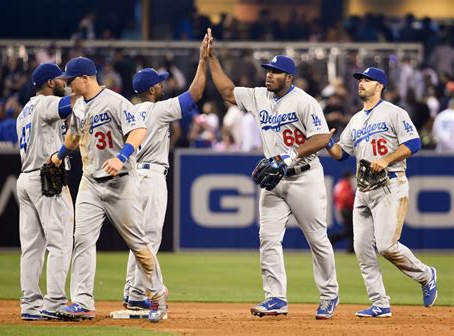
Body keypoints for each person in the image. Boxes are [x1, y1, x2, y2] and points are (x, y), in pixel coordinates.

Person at [207, 28, 339, 319]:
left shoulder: (305, 101)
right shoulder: (258, 96)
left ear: (289, 78)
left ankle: (329, 295)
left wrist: (289, 155)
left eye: (276, 72)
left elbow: (320, 138)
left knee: (317, 239)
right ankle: (276, 298)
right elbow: (227, 91)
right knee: (268, 238)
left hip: (304, 176)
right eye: (268, 70)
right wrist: (211, 58)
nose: (269, 75)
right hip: (275, 180)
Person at [50, 57, 167, 323]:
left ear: (86, 78)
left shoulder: (115, 101)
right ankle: (82, 302)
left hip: (121, 181)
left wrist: (122, 156)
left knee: (138, 243)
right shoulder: (78, 107)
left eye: (71, 80)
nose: (68, 84)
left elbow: (138, 130)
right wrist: (58, 157)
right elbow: (73, 137)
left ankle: (158, 295)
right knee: (82, 239)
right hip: (90, 182)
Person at [326, 67, 438, 317]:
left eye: (367, 80)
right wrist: (328, 143)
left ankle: (426, 275)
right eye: (360, 80)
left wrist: (387, 159)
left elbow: (414, 143)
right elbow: (341, 154)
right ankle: (380, 303)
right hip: (364, 189)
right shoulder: (355, 119)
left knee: (387, 246)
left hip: (390, 184)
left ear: (380, 86)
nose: (361, 83)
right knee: (362, 248)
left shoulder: (394, 112)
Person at [123, 33, 210, 312]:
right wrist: (202, 61)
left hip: (131, 177)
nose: (163, 85)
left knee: (137, 238)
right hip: (150, 177)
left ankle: (134, 293)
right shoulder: (158, 110)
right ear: (151, 89)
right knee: (148, 238)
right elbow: (195, 94)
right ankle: (148, 292)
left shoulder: (128, 112)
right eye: (159, 83)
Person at [16, 63, 75, 320]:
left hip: (26, 179)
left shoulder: (23, 112)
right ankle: (55, 302)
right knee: (60, 243)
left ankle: (30, 304)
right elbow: (66, 105)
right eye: (62, 79)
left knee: (32, 247)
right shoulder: (44, 103)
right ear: (50, 83)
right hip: (46, 178)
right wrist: (89, 92)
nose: (66, 82)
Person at [329, 171, 355, 253]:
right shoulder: (345, 184)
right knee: (349, 230)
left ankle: (351, 248)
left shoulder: (340, 184)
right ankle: (333, 238)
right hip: (346, 209)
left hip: (342, 208)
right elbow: (346, 197)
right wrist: (351, 205)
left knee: (350, 230)